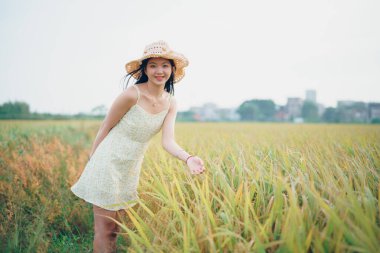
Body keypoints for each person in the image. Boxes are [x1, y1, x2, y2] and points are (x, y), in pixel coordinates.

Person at [70, 40, 206, 253]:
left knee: (116, 230)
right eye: (153, 65)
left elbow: (168, 141)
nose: (159, 71)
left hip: (130, 167)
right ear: (145, 69)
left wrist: (188, 158)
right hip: (107, 162)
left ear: (172, 69)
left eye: (164, 65)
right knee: (105, 230)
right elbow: (106, 126)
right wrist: (93, 161)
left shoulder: (171, 102)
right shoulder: (132, 94)